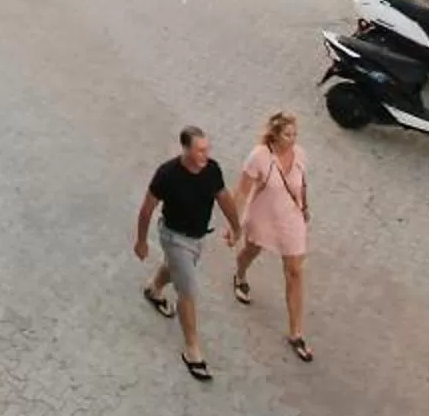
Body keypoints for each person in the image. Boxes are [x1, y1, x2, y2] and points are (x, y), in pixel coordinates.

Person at [132, 125, 237, 381]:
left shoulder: (212, 170)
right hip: (174, 237)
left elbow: (224, 197)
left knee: (177, 270)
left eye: (207, 149)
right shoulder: (167, 174)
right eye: (200, 150)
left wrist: (237, 226)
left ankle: (154, 289)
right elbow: (147, 209)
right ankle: (192, 350)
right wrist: (141, 242)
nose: (205, 154)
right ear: (186, 149)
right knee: (188, 290)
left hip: (198, 237)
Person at [230, 111, 316, 363]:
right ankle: (240, 274)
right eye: (288, 134)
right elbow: (242, 191)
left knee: (295, 272)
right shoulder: (259, 157)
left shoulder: (299, 154)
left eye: (295, 134)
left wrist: (305, 207)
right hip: (264, 217)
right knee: (251, 250)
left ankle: (296, 333)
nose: (293, 139)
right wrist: (234, 225)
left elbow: (302, 183)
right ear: (275, 135)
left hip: (291, 219)